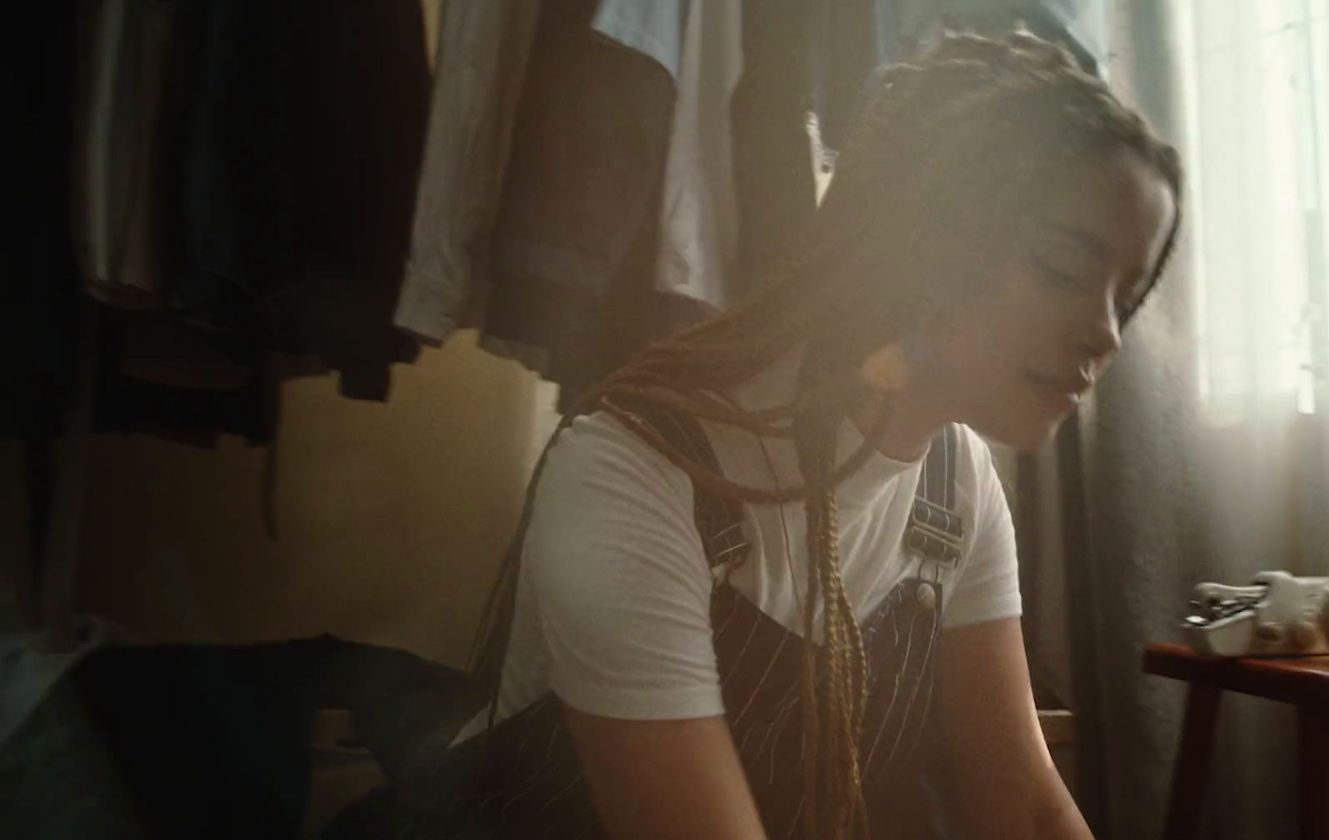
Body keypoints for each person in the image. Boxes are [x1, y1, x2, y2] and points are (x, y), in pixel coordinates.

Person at [328, 27, 1181, 840]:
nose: (1104, 331)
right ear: (933, 232)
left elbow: (1025, 810)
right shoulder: (634, 469)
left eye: (1127, 294)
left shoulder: (955, 487)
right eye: (1066, 267)